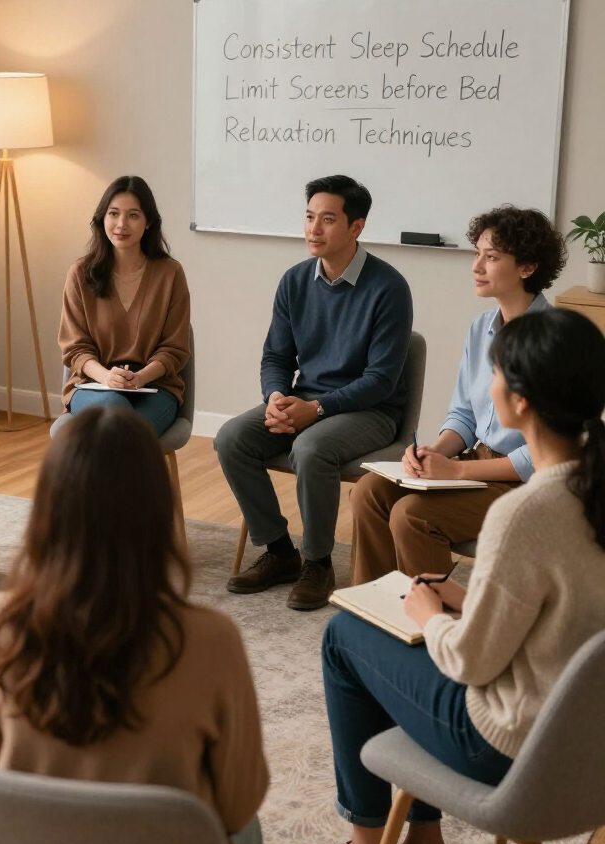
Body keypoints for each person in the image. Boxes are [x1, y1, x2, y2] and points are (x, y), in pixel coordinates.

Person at [302, 307, 605, 844]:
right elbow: (565, 614)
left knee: (345, 638)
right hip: (584, 747)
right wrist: (468, 599)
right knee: (401, 625)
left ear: (518, 402)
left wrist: (428, 616)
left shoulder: (522, 514)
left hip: (508, 748)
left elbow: (468, 663)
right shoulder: (590, 490)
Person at [0, 407, 269, 844]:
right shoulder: (212, 641)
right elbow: (238, 805)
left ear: (48, 509)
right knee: (248, 833)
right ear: (158, 511)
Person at [215, 175, 413, 610]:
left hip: (371, 411)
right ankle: (281, 552)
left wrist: (317, 408)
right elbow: (276, 358)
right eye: (309, 217)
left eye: (327, 219)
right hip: (307, 401)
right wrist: (275, 398)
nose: (313, 229)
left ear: (356, 227)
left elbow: (380, 379)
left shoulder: (389, 288)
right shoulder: (295, 281)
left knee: (310, 449)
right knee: (232, 437)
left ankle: (318, 562)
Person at [350, 206, 566, 583]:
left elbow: (538, 456)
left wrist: (457, 470)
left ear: (527, 267)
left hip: (526, 486)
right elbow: (465, 415)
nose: (477, 266)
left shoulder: (554, 340)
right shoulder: (481, 327)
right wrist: (434, 453)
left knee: (412, 515)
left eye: (492, 257)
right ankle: (375, 613)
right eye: (477, 253)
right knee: (368, 491)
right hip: (476, 464)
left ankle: (438, 626)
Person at [58, 175, 190, 437]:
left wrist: (140, 378)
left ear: (148, 222)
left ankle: (86, 479)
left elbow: (174, 349)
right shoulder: (80, 273)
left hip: (155, 387)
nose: (121, 224)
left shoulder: (170, 273)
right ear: (102, 219)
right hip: (92, 385)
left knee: (118, 429)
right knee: (115, 414)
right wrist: (107, 377)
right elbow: (75, 348)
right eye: (114, 213)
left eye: (133, 215)